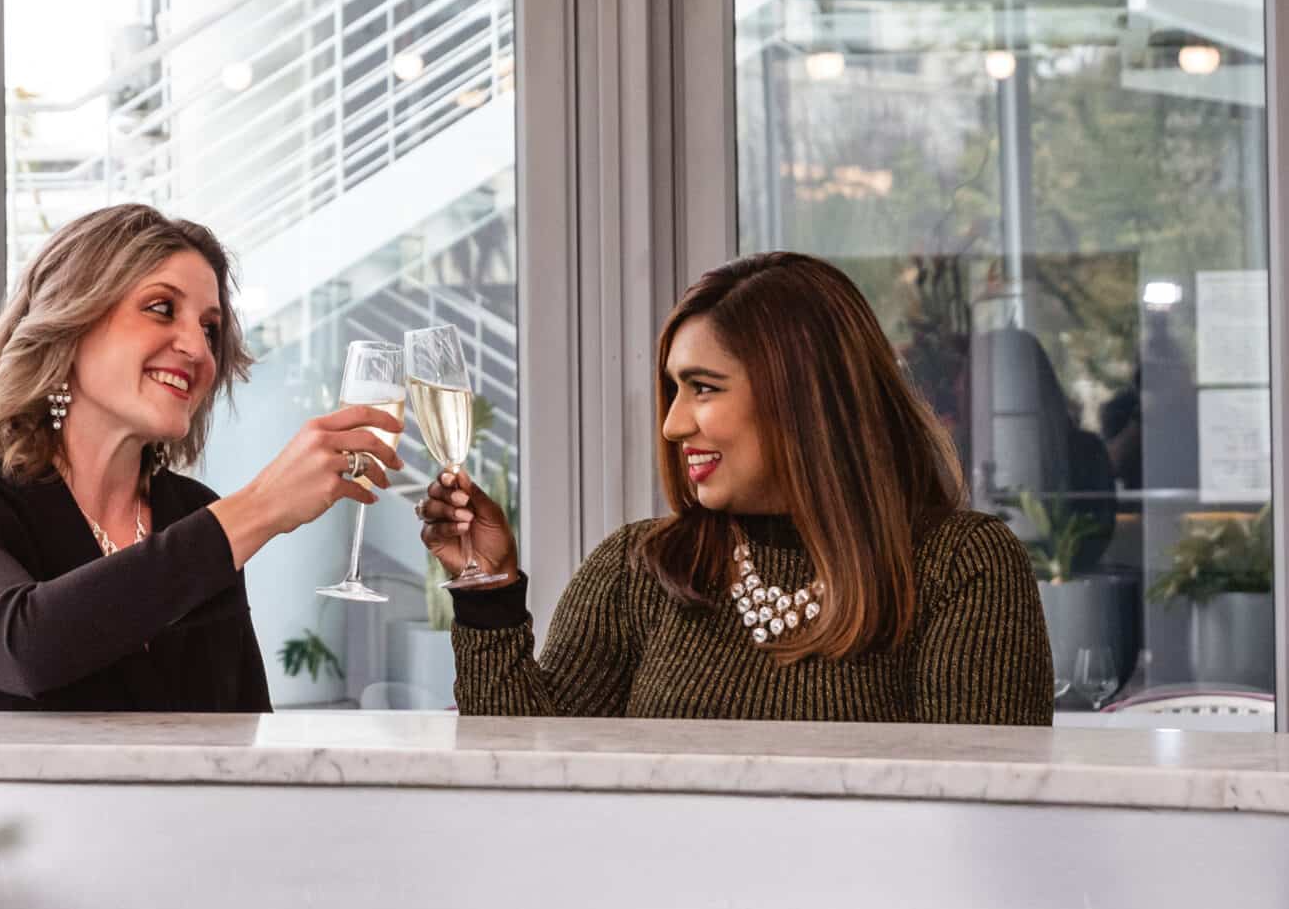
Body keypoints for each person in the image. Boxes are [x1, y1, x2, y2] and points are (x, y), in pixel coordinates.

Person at [422, 251, 1052, 725]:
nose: (672, 424)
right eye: (674, 390)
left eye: (704, 387)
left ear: (803, 397)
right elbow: (525, 775)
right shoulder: (636, 569)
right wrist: (489, 589)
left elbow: (980, 819)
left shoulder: (960, 566)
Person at [0, 204, 400, 712]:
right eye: (161, 308)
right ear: (71, 322)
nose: (199, 350)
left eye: (209, 329)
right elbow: (26, 648)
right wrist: (263, 507)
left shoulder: (192, 514)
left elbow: (246, 737)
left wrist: (476, 585)